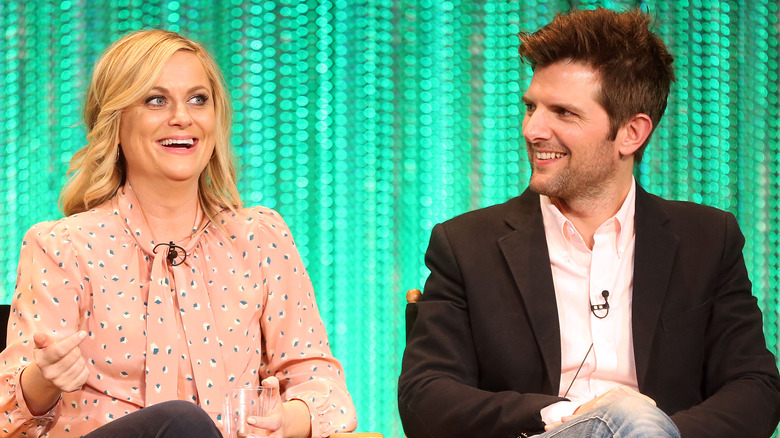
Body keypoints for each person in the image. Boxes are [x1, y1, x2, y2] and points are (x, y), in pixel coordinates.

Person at [398, 7, 780, 438]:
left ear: (631, 133)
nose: (532, 129)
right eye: (531, 107)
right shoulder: (465, 245)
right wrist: (572, 417)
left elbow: (756, 388)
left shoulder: (707, 240)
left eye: (563, 112)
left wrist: (653, 431)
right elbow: (425, 395)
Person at [0, 29, 357, 438]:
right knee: (182, 421)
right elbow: (8, 417)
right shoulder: (62, 246)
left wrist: (283, 422)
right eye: (156, 100)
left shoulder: (260, 237)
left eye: (198, 99)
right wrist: (44, 380)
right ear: (115, 122)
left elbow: (323, 386)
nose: (182, 117)